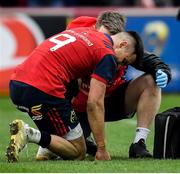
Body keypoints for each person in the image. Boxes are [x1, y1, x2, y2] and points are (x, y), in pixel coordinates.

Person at [35, 11, 172, 160]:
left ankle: (139, 143)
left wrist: (162, 71)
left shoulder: (121, 45)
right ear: (97, 28)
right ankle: (72, 137)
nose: (105, 42)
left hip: (111, 99)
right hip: (81, 106)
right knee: (70, 150)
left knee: (151, 81)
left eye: (110, 40)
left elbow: (144, 57)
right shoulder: (79, 38)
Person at [7, 23, 144, 161]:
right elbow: (94, 103)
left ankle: (47, 146)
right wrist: (101, 149)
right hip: (43, 89)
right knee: (78, 152)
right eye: (124, 61)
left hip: (16, 85)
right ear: (122, 44)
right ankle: (29, 133)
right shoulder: (107, 55)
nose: (120, 66)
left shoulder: (83, 31)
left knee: (62, 136)